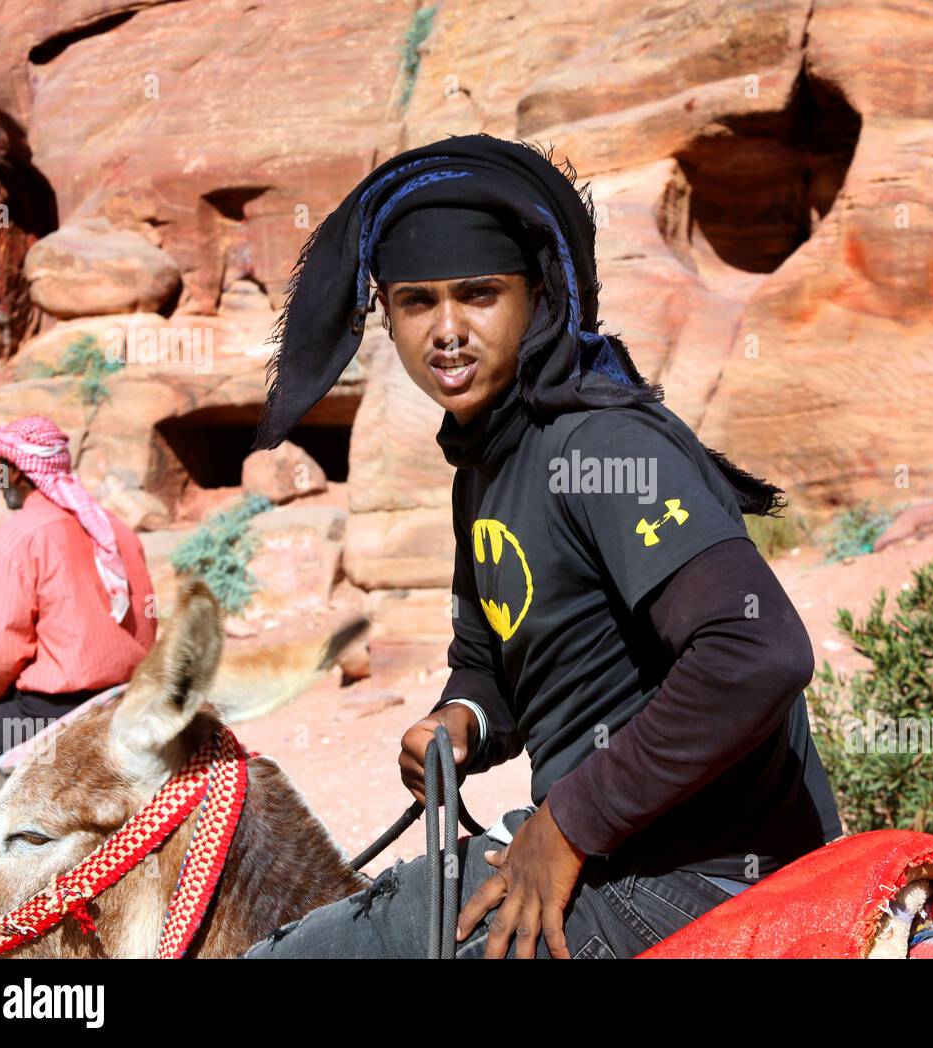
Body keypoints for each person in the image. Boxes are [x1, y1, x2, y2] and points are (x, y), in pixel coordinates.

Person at [240, 134, 844, 959]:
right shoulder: (485, 466)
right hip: (606, 850)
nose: (447, 331)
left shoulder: (602, 447)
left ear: (537, 297)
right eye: (417, 303)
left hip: (693, 875)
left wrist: (567, 824)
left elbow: (756, 651)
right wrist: (462, 721)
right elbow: (497, 665)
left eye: (479, 294)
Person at [0, 416, 157, 760]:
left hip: (48, 711)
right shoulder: (116, 529)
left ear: (17, 472)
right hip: (126, 699)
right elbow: (149, 617)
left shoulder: (19, 536)